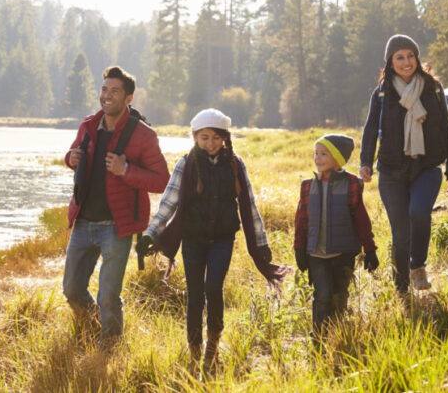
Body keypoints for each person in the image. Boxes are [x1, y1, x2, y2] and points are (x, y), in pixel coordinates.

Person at [137, 108, 287, 375]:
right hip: (192, 239)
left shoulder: (235, 164)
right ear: (195, 136)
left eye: (216, 138)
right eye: (204, 137)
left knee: (214, 287)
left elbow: (249, 205)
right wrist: (151, 233)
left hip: (222, 239)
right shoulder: (186, 163)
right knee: (195, 294)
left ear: (225, 138)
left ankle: (212, 348)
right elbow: (169, 202)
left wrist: (261, 242)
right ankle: (195, 349)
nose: (210, 143)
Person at [63, 66, 170, 346]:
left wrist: (126, 171)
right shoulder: (88, 125)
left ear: (128, 98)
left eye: (115, 91)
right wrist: (70, 158)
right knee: (72, 290)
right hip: (83, 222)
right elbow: (73, 154)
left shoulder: (144, 135)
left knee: (108, 295)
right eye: (104, 89)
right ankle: (92, 328)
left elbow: (162, 181)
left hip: (117, 227)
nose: (107, 96)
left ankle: (109, 350)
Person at [359, 34, 448, 293]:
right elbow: (370, 129)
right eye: (400, 57)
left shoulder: (432, 89)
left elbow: (447, 129)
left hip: (427, 167)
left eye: (410, 56)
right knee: (400, 232)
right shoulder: (383, 92)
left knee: (419, 213)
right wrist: (365, 162)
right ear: (390, 62)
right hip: (391, 170)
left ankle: (418, 267)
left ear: (417, 58)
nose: (406, 62)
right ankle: (401, 286)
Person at [293, 134, 378, 341]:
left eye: (324, 154)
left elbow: (361, 219)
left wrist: (370, 249)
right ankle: (319, 338)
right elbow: (301, 220)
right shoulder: (307, 185)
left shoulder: (352, 185)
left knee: (340, 296)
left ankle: (338, 335)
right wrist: (299, 249)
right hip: (316, 254)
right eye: (316, 153)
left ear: (339, 159)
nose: (318, 158)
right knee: (322, 296)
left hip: (342, 253)